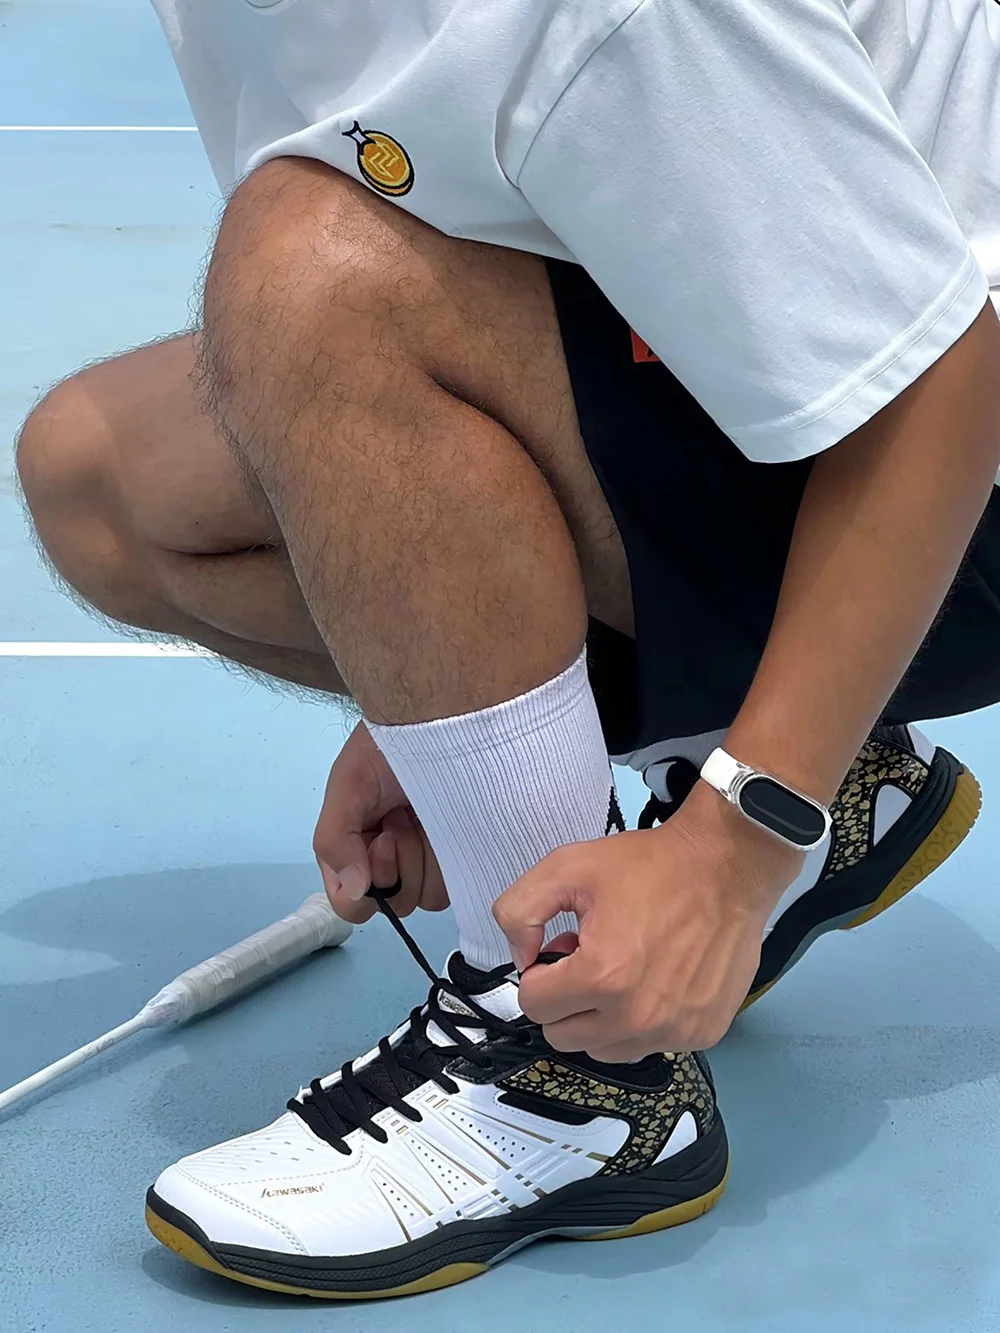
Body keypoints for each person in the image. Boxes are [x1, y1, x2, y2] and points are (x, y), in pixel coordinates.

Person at [16, 0, 1000, 1302]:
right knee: (103, 469)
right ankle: (834, 775)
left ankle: (576, 1090)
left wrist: (741, 846)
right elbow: (496, 258)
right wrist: (436, 672)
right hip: (774, 395)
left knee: (310, 263)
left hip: (962, 469)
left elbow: (945, 373)